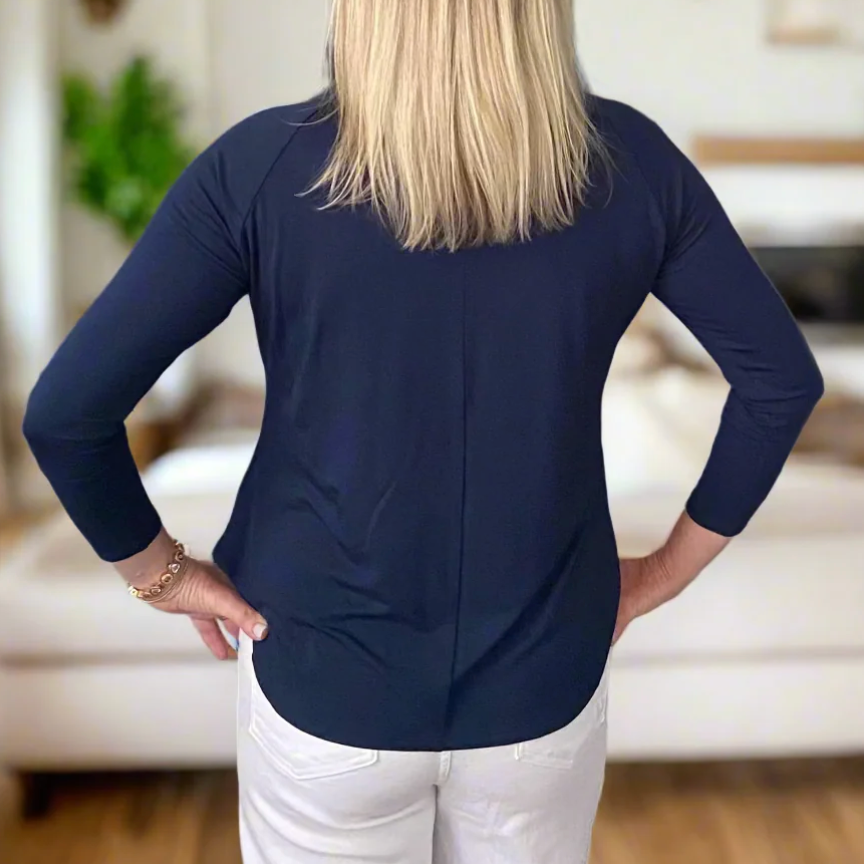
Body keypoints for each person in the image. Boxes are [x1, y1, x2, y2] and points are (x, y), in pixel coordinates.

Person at [24, 1, 823, 862]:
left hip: (321, 691)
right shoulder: (633, 165)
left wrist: (162, 574)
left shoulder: (259, 166)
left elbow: (68, 414)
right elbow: (780, 383)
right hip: (541, 696)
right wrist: (665, 572)